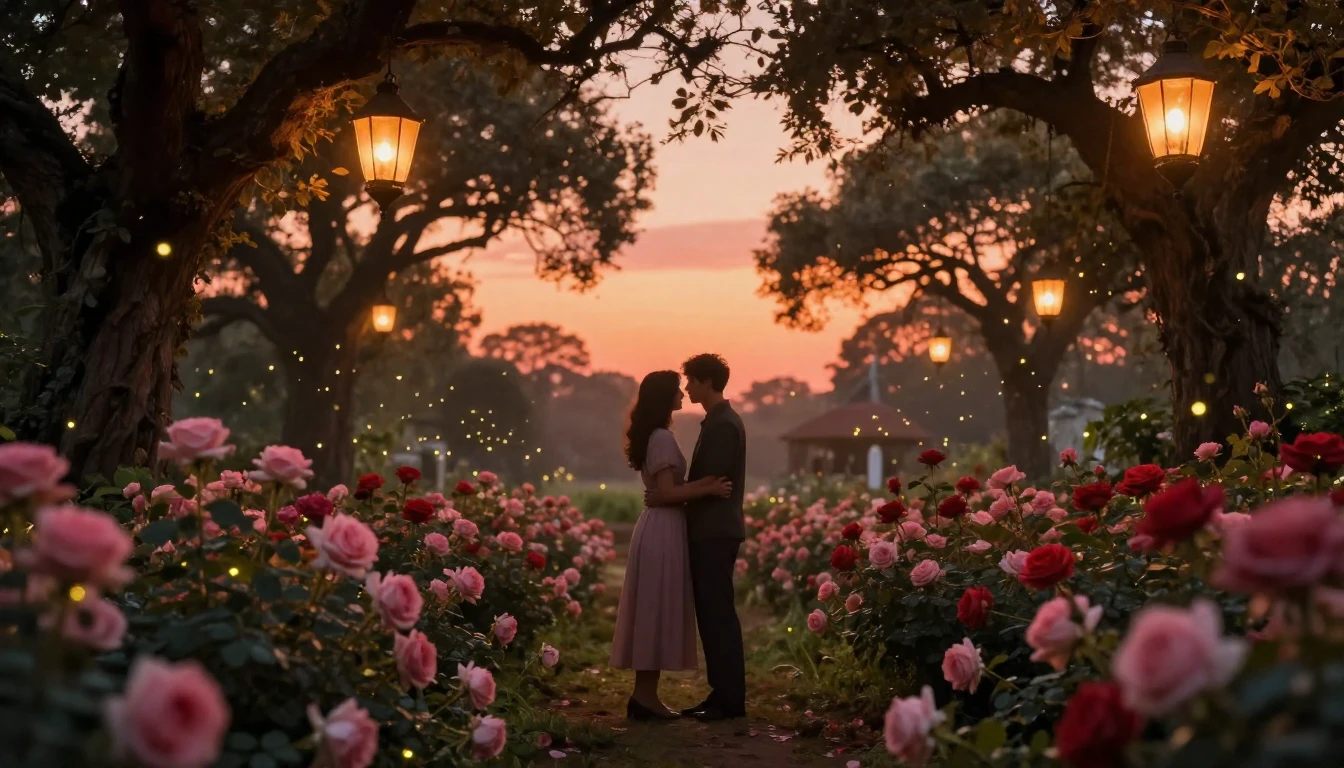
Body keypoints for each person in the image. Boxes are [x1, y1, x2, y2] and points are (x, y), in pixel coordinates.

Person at [610, 370, 733, 721]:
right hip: (663, 529)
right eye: (677, 391)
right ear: (665, 397)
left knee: (654, 607)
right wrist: (707, 488)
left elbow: (663, 493)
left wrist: (695, 487)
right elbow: (665, 494)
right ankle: (644, 697)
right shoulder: (662, 437)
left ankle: (645, 696)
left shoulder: (655, 435)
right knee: (655, 608)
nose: (683, 395)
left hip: (661, 527)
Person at [645, 353, 747, 722]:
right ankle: (722, 694)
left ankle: (729, 700)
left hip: (715, 531)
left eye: (691, 381)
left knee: (717, 614)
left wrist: (670, 494)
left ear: (706, 381)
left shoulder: (722, 425)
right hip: (711, 530)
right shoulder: (717, 421)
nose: (686, 388)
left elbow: (714, 482)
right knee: (712, 613)